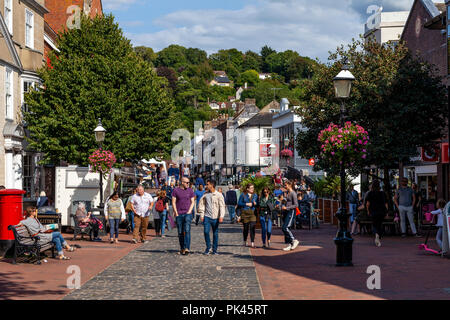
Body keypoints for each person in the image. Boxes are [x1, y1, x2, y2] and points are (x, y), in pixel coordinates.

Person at [198, 180, 226, 255]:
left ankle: (215, 249)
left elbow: (222, 206)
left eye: (207, 184)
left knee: (215, 233)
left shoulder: (219, 195)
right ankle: (208, 247)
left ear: (212, 185)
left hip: (215, 217)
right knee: (206, 232)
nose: (206, 186)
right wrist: (202, 215)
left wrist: (221, 216)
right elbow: (202, 205)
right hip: (207, 217)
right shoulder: (206, 194)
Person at [172, 177, 195, 255]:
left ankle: (187, 248)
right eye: (187, 182)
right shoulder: (176, 191)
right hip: (179, 213)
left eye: (189, 182)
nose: (188, 184)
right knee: (180, 232)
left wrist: (189, 211)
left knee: (187, 230)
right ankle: (182, 248)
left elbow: (192, 202)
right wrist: (176, 212)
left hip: (187, 214)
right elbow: (173, 202)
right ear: (182, 182)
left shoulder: (190, 190)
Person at [365, 180, 388, 247]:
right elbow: (386, 204)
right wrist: (386, 211)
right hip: (381, 211)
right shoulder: (382, 193)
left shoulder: (370, 193)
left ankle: (376, 234)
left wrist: (368, 211)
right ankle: (379, 235)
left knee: (374, 224)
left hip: (373, 211)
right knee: (380, 224)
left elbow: (367, 204)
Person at [237, 183, 258, 248]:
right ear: (247, 189)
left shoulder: (255, 195)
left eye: (253, 188)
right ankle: (245, 241)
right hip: (245, 212)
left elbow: (258, 203)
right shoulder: (243, 195)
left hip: (252, 213)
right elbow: (239, 203)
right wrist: (246, 204)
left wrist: (255, 203)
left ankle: (252, 242)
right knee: (246, 228)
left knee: (252, 227)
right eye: (251, 188)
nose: (252, 189)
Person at [281, 181, 300, 251]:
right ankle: (290, 244)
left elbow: (296, 205)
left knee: (285, 227)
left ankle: (293, 240)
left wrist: (287, 208)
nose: (285, 187)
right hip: (286, 212)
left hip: (291, 212)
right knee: (285, 228)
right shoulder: (287, 193)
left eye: (285, 185)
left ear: (289, 185)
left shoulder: (293, 193)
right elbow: (286, 202)